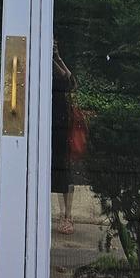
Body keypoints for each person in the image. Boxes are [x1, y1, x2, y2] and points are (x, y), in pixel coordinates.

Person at [51, 41, 76, 234]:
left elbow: (70, 81)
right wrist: (52, 58)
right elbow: (63, 79)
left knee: (65, 170)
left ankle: (68, 215)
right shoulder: (46, 64)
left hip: (63, 126)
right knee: (58, 170)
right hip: (52, 125)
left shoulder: (54, 63)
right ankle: (62, 214)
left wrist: (57, 57)